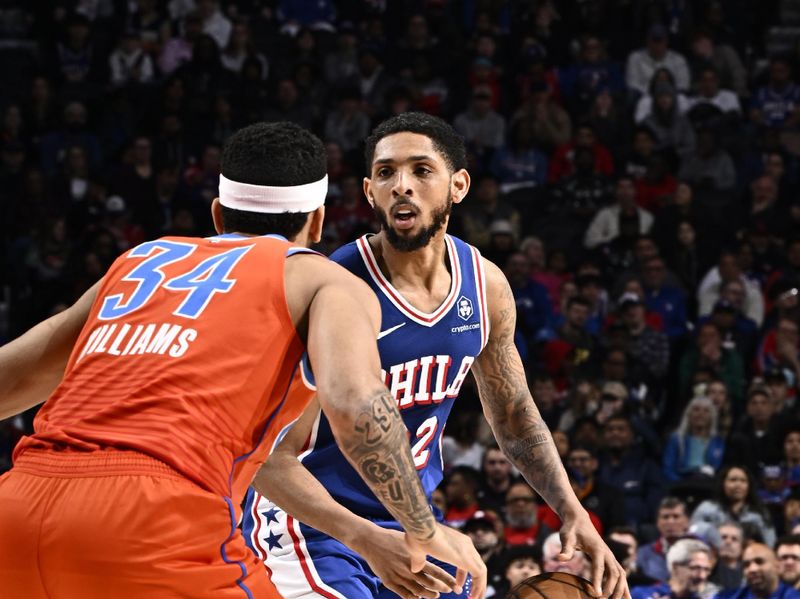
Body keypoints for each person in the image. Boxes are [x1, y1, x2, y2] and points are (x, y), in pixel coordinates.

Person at [0, 122, 484, 598]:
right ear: (316, 221)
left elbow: (13, 377)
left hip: (17, 511)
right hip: (154, 521)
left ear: (217, 213)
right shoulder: (323, 280)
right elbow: (357, 406)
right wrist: (424, 529)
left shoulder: (139, 260)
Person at [246, 112, 628, 599]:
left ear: (458, 185)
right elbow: (269, 460)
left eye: (421, 171)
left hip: (412, 522)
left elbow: (513, 416)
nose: (402, 185)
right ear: (368, 192)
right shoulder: (332, 288)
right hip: (312, 528)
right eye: (386, 173)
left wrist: (573, 512)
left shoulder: (485, 285)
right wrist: (367, 537)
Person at [632, 539, 716, 599]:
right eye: (695, 568)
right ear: (675, 567)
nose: (702, 576)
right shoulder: (642, 595)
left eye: (706, 569)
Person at [715, 543, 800, 599]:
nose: (752, 569)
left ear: (777, 566)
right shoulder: (729, 597)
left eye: (759, 562)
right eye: (746, 565)